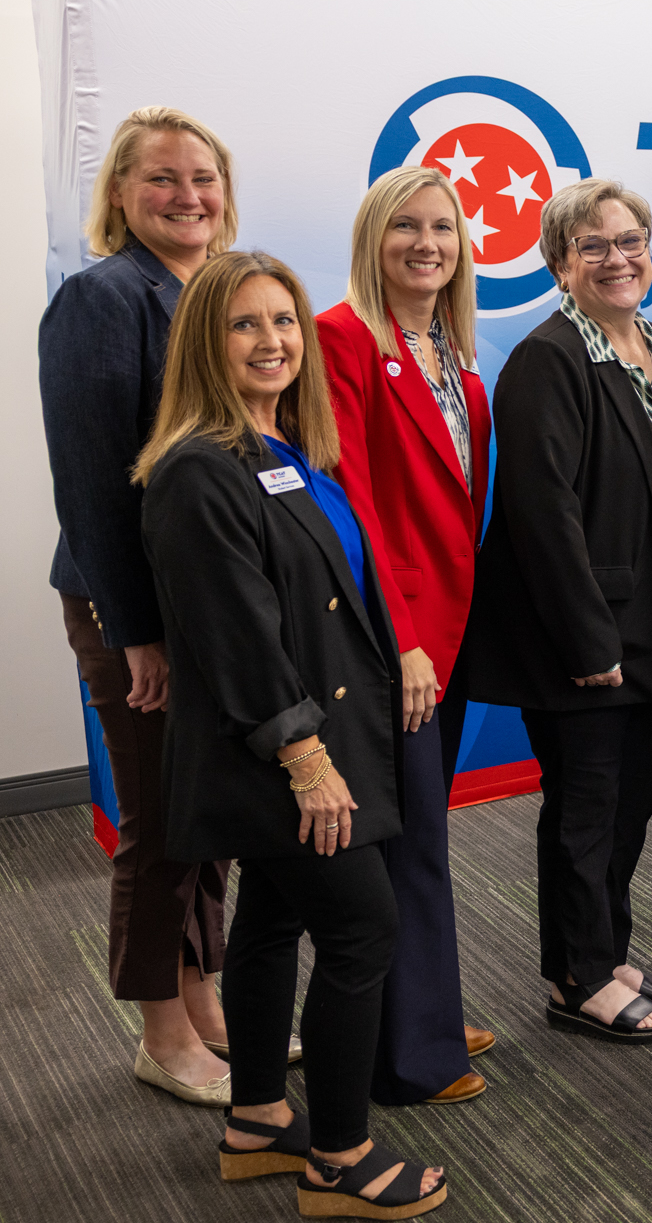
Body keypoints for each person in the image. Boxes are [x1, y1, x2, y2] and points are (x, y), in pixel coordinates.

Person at [136, 251, 447, 1218]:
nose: (272, 342)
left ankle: (260, 1119)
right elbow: (239, 638)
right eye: (245, 325)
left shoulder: (281, 451)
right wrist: (305, 758)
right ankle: (339, 1159)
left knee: (273, 921)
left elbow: (331, 592)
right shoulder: (198, 469)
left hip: (321, 738)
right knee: (362, 928)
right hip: (280, 753)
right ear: (204, 344)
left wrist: (396, 651)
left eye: (284, 322)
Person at [464, 179, 652, 1042]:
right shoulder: (547, 358)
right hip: (586, 637)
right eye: (594, 246)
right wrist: (587, 637)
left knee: (632, 801)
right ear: (558, 262)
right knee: (585, 808)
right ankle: (576, 978)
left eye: (630, 240)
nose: (618, 258)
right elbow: (540, 513)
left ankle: (608, 951)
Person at [37, 106, 241, 1104]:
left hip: (207, 607)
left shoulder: (218, 293)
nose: (187, 195)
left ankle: (202, 997)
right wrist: (137, 633)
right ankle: (163, 1033)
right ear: (119, 194)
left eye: (202, 177)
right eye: (161, 178)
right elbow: (90, 482)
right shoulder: (103, 298)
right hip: (139, 613)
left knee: (209, 809)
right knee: (161, 818)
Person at [316, 167, 495, 1104]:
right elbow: (350, 504)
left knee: (423, 832)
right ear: (372, 239)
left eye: (443, 229)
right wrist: (404, 640)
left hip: (451, 628)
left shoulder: (452, 352)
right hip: (400, 636)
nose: (428, 244)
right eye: (406, 228)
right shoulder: (341, 338)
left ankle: (423, 1007)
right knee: (408, 839)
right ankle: (411, 1057)